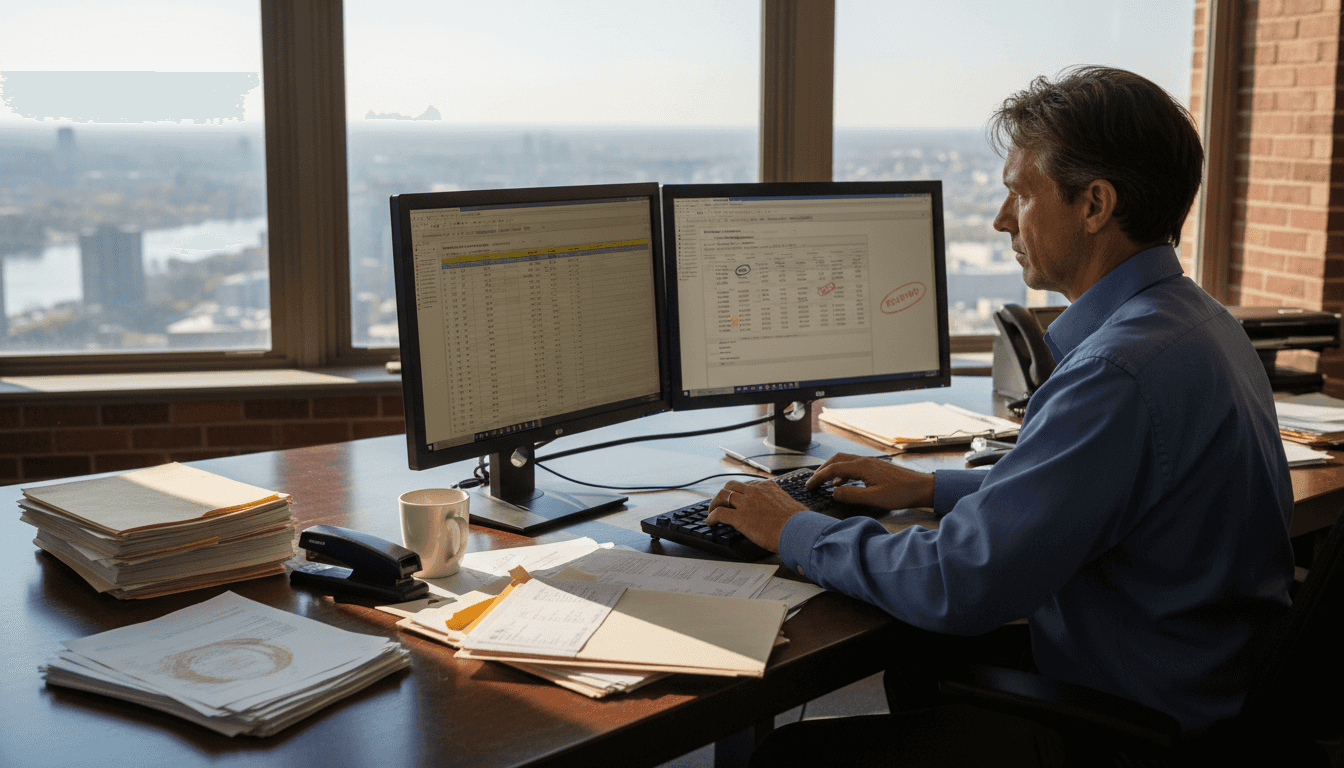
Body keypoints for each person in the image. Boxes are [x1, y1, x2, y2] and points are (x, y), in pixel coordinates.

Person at [706, 65, 1295, 766]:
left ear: (1095, 204)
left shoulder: (1116, 373)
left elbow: (955, 583)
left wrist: (792, 527)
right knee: (923, 663)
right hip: (1205, 686)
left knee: (789, 756)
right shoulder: (1196, 323)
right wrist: (931, 487)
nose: (1001, 219)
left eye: (1021, 192)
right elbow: (1100, 489)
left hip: (1137, 725)